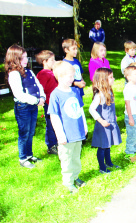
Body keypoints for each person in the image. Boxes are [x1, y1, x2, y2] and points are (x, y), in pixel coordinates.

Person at [48, 61, 88, 194]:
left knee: (76, 156)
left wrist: (84, 125)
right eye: (69, 76)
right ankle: (68, 182)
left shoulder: (75, 91)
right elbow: (54, 116)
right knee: (66, 158)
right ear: (59, 77)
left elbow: (80, 110)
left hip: (77, 132)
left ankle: (76, 177)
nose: (72, 79)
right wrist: (60, 134)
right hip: (66, 134)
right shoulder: (56, 95)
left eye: (73, 76)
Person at [5, 45, 45, 168]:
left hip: (33, 106)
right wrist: (35, 100)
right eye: (22, 58)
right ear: (14, 59)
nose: (26, 59)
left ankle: (29, 155)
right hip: (23, 107)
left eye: (26, 57)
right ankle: (23, 158)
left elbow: (38, 85)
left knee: (31, 131)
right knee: (24, 132)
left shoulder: (29, 71)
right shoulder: (14, 74)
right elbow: (19, 94)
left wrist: (42, 97)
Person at [89, 68, 121, 174]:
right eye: (111, 77)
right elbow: (91, 109)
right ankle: (102, 168)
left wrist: (114, 115)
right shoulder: (100, 95)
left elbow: (110, 107)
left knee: (108, 145)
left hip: (110, 123)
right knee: (103, 147)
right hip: (103, 125)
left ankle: (109, 163)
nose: (113, 79)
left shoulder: (109, 91)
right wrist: (101, 120)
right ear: (103, 80)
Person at [36, 50, 58, 155]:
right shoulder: (43, 73)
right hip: (49, 103)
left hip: (56, 102)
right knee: (51, 124)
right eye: (52, 60)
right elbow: (40, 89)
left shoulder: (53, 72)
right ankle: (51, 145)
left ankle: (57, 142)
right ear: (44, 61)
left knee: (57, 123)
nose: (55, 62)